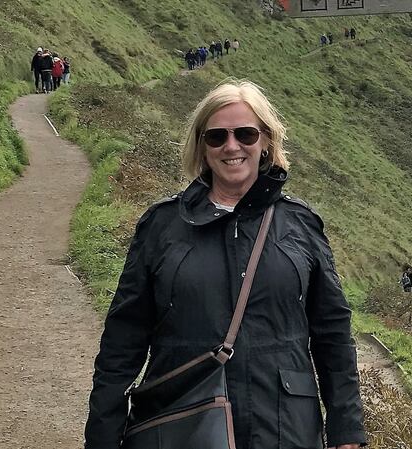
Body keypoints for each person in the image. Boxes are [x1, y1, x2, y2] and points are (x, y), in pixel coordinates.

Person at [85, 80, 366, 449]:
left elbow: (332, 334)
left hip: (284, 429)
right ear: (202, 146)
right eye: (217, 137)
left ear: (266, 140)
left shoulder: (300, 225)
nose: (231, 146)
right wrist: (102, 436)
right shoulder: (162, 226)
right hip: (183, 426)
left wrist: (347, 429)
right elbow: (122, 341)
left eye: (245, 134)